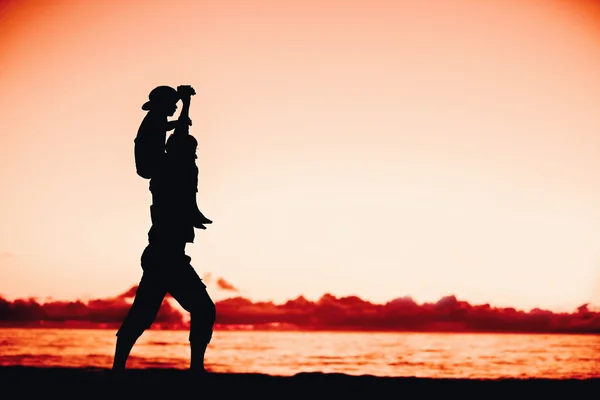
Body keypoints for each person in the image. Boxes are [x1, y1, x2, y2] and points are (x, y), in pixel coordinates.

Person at [112, 85, 216, 374]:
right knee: (201, 310)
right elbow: (179, 134)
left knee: (143, 316)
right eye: (191, 152)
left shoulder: (173, 169)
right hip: (165, 255)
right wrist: (184, 104)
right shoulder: (170, 169)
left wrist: (185, 105)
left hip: (165, 254)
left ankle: (119, 369)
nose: (195, 157)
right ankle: (195, 370)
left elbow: (180, 132)